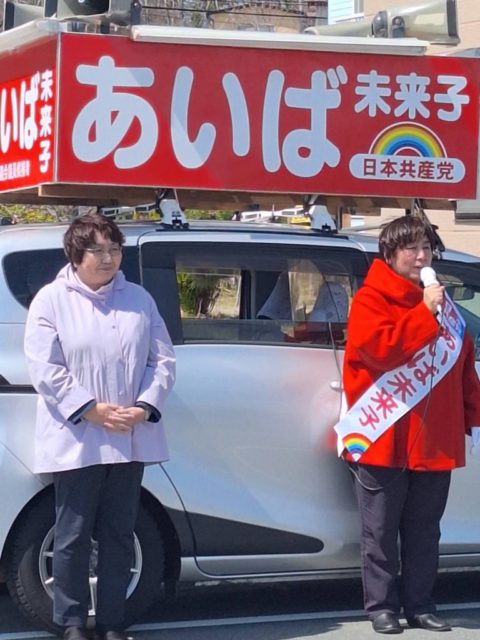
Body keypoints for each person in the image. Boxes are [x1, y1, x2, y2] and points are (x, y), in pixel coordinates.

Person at [24, 213, 176, 640]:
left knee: (119, 532)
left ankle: (112, 622)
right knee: (72, 534)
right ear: (76, 254)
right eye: (97, 250)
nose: (108, 258)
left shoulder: (139, 299)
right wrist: (90, 409)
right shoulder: (51, 301)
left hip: (129, 433)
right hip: (78, 435)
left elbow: (162, 360)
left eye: (114, 249)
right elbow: (44, 367)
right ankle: (71, 622)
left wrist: (143, 407)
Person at [337, 215, 480, 634]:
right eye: (411, 249)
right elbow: (381, 351)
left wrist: (473, 416)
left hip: (434, 438)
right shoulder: (370, 300)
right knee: (380, 530)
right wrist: (424, 312)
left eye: (426, 248)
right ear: (390, 254)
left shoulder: (443, 305)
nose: (421, 257)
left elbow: (462, 366)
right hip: (383, 434)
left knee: (424, 530)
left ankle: (420, 604)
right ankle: (382, 607)